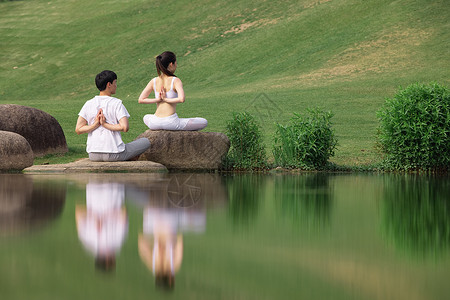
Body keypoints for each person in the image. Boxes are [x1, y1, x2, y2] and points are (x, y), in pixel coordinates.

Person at [76, 70, 150, 161]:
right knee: (146, 142)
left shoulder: (88, 104)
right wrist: (104, 124)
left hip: (93, 155)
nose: (116, 86)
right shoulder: (117, 103)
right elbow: (125, 127)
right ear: (109, 85)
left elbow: (78, 129)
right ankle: (129, 157)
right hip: (114, 154)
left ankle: (129, 157)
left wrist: (95, 124)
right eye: (115, 82)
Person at [138, 51, 208, 131]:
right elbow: (182, 99)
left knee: (146, 117)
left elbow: (141, 99)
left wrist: (158, 99)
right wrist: (165, 99)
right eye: (176, 63)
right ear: (171, 64)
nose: (176, 65)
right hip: (171, 123)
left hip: (155, 123)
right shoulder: (175, 80)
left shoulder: (154, 81)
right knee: (203, 122)